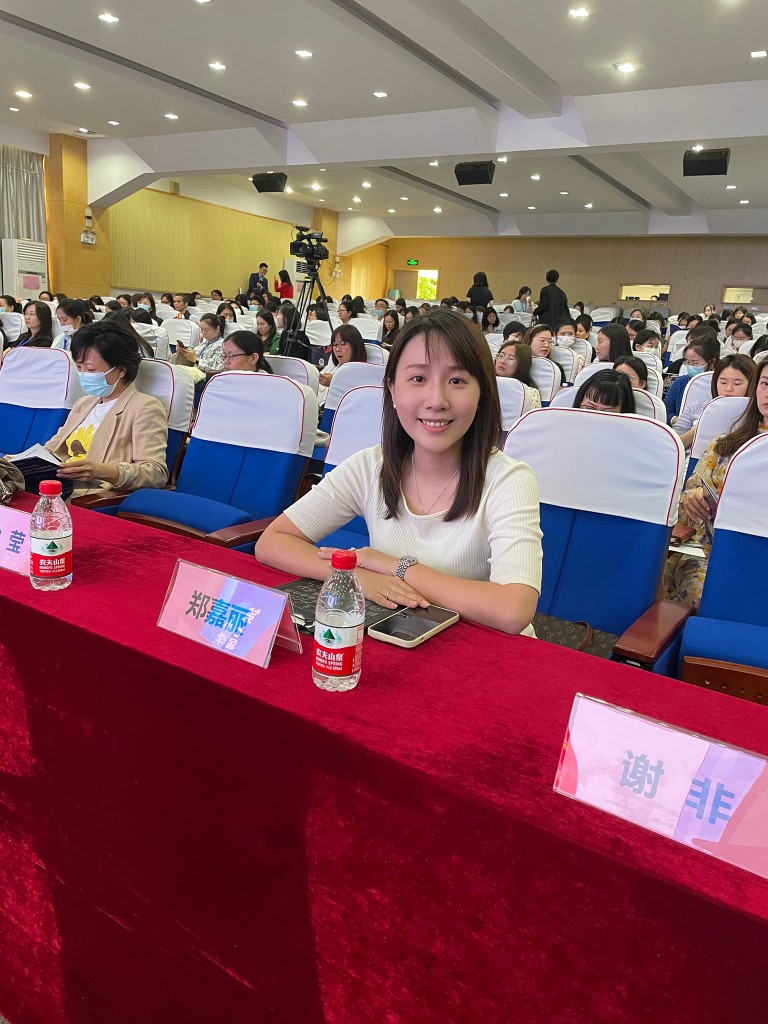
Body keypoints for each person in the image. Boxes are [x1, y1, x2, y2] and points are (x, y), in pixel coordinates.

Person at [255, 309, 542, 635]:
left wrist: (396, 567)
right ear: (392, 389)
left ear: (482, 394)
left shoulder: (509, 480)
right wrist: (356, 576)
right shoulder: (370, 466)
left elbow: (513, 610)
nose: (436, 400)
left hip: (484, 647)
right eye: (418, 379)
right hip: (402, 635)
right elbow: (273, 542)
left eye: (457, 381)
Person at [665, 360, 768, 608]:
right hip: (710, 551)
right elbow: (684, 500)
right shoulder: (724, 445)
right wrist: (691, 499)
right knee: (704, 595)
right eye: (765, 384)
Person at [38, 320, 168, 498]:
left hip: (91, 496)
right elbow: (51, 449)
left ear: (121, 370)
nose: (84, 375)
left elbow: (155, 473)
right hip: (55, 489)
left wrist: (102, 471)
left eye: (91, 369)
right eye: (79, 368)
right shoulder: (84, 403)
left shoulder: (145, 408)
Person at [673, 354, 756, 448]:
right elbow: (672, 445)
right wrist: (700, 428)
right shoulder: (698, 407)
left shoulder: (756, 414)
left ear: (752, 384)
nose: (728, 388)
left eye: (737, 384)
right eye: (723, 382)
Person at [664, 333, 721, 423]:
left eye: (695, 363)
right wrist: (677, 420)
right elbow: (666, 410)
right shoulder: (681, 382)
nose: (690, 366)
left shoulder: (722, 384)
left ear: (712, 362)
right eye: (688, 362)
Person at [173, 312, 227, 376]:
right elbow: (193, 355)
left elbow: (218, 368)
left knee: (180, 372)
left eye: (206, 330)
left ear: (217, 329)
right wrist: (184, 351)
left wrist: (195, 360)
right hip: (194, 372)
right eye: (201, 330)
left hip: (205, 377)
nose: (203, 333)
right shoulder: (205, 342)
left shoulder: (223, 345)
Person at [318, 324, 368, 391]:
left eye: (343, 344)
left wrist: (336, 382)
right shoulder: (329, 369)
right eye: (335, 344)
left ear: (355, 346)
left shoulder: (364, 375)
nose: (337, 349)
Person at [494, 341, 542, 409]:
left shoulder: (530, 393)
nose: (502, 361)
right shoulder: (486, 384)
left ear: (522, 364)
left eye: (510, 359)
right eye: (501, 356)